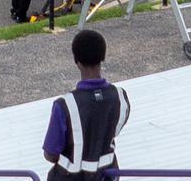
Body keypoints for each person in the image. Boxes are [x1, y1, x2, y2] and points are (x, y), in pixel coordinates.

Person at [41, 28, 128, 181]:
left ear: (76, 61)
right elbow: (112, 130)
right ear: (103, 57)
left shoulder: (65, 105)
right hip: (107, 176)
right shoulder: (120, 96)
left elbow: (50, 154)